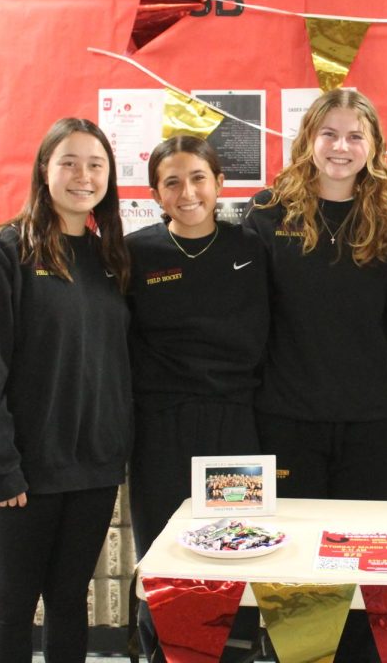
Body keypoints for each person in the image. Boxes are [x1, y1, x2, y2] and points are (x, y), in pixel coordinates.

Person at [0, 117, 131, 663]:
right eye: (69, 162)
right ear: (43, 171)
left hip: (94, 469)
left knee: (71, 601)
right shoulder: (3, 252)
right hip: (25, 472)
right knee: (16, 603)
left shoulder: (109, 258)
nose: (83, 175)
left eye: (96, 164)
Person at [126, 134, 268, 661]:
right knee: (166, 561)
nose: (187, 192)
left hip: (234, 431)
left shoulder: (250, 248)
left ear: (220, 185)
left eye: (198, 178)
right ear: (157, 195)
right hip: (162, 431)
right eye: (172, 182)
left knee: (236, 555)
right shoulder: (136, 253)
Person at [242, 89, 387, 500]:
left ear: (373, 146)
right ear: (308, 139)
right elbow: (249, 316)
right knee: (290, 547)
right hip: (286, 414)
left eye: (355, 137)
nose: (340, 147)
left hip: (372, 418)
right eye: (329, 134)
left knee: (365, 545)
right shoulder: (267, 213)